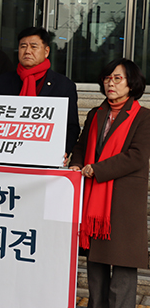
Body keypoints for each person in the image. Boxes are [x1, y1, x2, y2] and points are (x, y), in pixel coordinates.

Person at [69, 58, 150, 308]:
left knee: (123, 269)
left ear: (131, 84)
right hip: (95, 201)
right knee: (96, 268)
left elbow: (136, 156)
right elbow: (81, 145)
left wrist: (98, 169)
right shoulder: (96, 113)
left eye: (117, 78)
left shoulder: (144, 117)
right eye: (107, 78)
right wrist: (76, 164)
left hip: (124, 201)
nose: (110, 83)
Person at [0, 27, 79, 155]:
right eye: (23, 46)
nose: (27, 51)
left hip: (45, 155)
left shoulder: (64, 85)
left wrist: (63, 151)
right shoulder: (3, 81)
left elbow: (71, 127)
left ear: (46, 51)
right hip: (7, 153)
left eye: (34, 47)